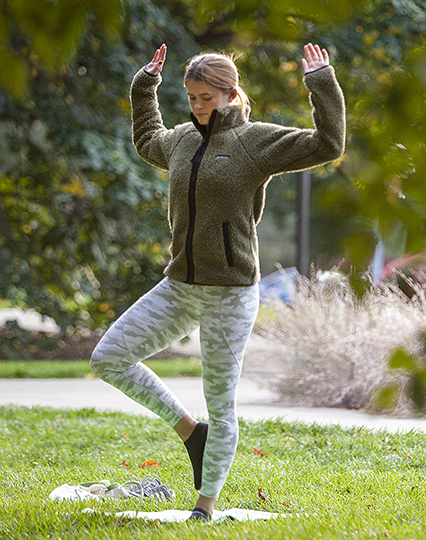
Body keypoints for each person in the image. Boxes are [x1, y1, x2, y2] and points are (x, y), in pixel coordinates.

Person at [90, 43, 345, 522]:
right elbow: (147, 141)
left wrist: (321, 82)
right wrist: (144, 85)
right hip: (180, 286)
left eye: (206, 96)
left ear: (230, 94)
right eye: (191, 96)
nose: (198, 105)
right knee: (108, 358)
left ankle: (204, 507)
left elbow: (328, 144)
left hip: (231, 294)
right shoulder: (182, 140)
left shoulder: (255, 142)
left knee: (221, 402)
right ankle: (190, 430)